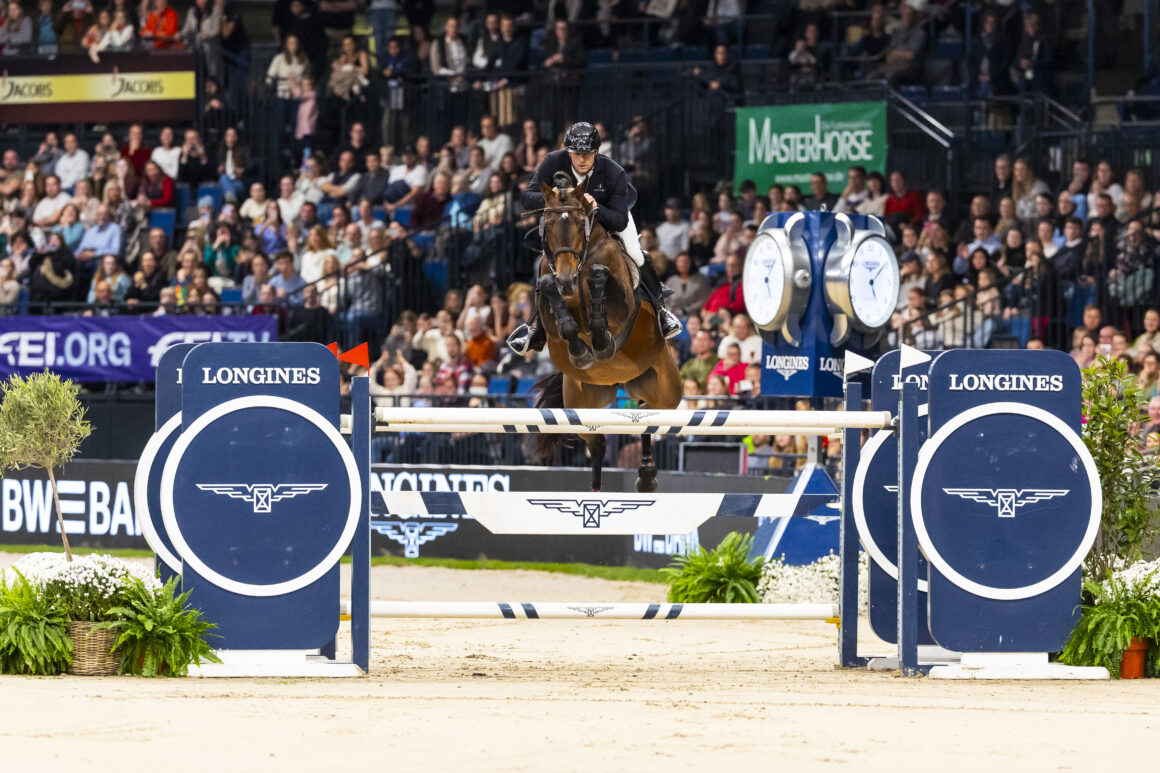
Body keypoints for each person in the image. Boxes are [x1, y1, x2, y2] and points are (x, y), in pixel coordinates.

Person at [507, 122, 682, 355]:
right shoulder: (553, 162)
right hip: (569, 217)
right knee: (547, 260)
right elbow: (527, 197)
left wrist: (596, 207)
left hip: (609, 212)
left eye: (588, 153)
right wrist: (563, 198)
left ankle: (662, 311)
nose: (582, 159)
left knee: (634, 249)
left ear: (596, 152)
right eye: (577, 153)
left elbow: (619, 220)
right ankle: (537, 329)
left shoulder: (613, 172)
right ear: (568, 151)